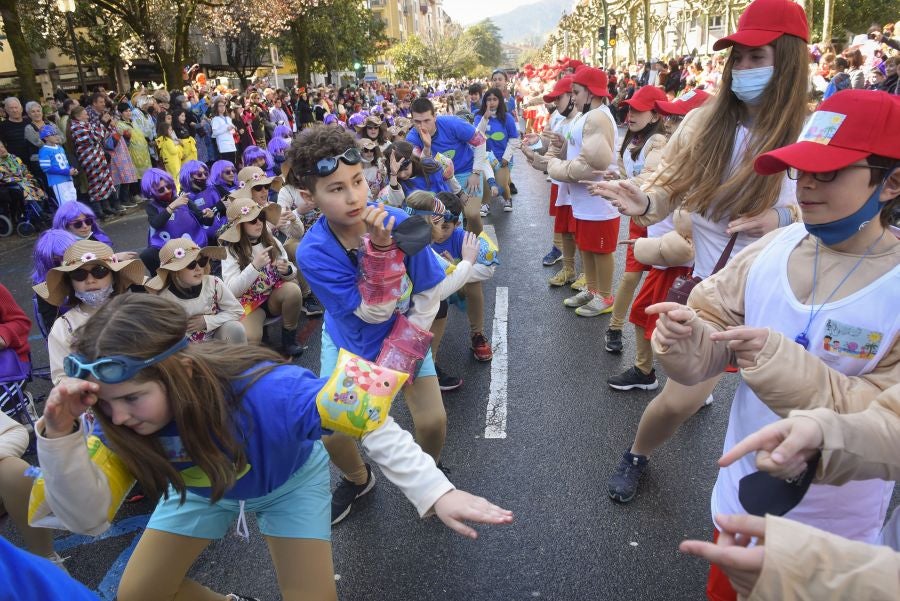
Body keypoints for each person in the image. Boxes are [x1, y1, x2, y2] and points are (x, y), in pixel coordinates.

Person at [34, 293, 512, 601]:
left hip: (288, 483)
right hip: (204, 490)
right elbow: (86, 519)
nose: (120, 418)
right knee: (138, 595)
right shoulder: (118, 420)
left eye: (133, 398)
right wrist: (60, 437)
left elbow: (369, 418)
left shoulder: (269, 389)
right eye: (108, 406)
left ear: (179, 370)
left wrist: (435, 489)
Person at [652, 89, 899, 601]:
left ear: (891, 181)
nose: (805, 185)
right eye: (799, 169)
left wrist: (779, 360)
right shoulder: (775, 245)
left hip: (837, 541)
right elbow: (710, 324)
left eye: (826, 172)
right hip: (740, 502)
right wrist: (682, 337)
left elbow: (884, 419)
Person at [589, 0, 809, 506]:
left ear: (791, 61)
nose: (746, 70)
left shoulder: (812, 132)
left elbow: (828, 214)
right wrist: (643, 200)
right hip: (714, 296)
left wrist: (777, 218)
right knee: (677, 401)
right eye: (740, 59)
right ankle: (637, 455)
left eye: (760, 58)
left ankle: (779, 512)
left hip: (785, 300)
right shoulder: (704, 123)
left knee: (785, 415)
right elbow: (667, 189)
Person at [290, 126, 453, 524]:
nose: (353, 197)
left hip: (404, 333)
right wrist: (380, 251)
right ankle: (358, 478)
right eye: (335, 189)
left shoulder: (397, 220)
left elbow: (431, 289)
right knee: (334, 429)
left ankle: (423, 473)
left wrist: (409, 340)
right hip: (351, 340)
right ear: (309, 197)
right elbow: (369, 314)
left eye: (358, 181)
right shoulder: (313, 252)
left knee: (433, 422)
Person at [547, 66, 620, 318]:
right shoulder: (584, 115)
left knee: (600, 250)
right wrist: (560, 147)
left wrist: (557, 167)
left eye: (576, 92)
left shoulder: (598, 116)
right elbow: (577, 149)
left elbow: (593, 164)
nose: (573, 97)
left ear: (591, 93)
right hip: (583, 200)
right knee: (586, 247)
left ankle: (605, 296)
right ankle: (592, 289)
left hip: (599, 200)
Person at [602, 84, 668, 357]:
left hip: (661, 221)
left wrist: (621, 184)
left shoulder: (659, 142)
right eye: (630, 108)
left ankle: (663, 343)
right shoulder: (631, 139)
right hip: (639, 220)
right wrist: (616, 180)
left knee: (662, 286)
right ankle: (615, 328)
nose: (631, 113)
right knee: (630, 277)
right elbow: (621, 171)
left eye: (639, 109)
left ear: (655, 116)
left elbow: (651, 178)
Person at [35, 239, 146, 384]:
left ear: (114, 276)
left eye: (100, 271)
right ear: (70, 282)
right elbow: (61, 377)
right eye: (79, 274)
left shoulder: (135, 311)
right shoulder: (63, 328)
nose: (90, 280)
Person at [407, 190, 498, 363]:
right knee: (432, 299)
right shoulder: (422, 235)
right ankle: (428, 351)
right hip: (430, 294)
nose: (438, 231)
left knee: (474, 283)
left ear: (456, 224)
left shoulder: (464, 237)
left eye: (445, 226)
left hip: (454, 288)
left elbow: (489, 268)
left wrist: (457, 267)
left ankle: (477, 334)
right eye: (435, 224)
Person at [219, 197, 304, 356]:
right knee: (251, 338)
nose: (259, 223)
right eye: (252, 220)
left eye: (262, 218)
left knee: (293, 290)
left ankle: (289, 340)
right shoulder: (231, 251)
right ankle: (260, 334)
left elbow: (290, 268)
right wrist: (254, 267)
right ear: (239, 227)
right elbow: (231, 290)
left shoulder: (270, 240)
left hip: (272, 296)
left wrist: (286, 270)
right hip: (249, 305)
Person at [522, 76, 580, 281]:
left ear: (573, 96)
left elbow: (584, 156)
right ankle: (569, 268)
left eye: (559, 98)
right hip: (562, 182)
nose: (555, 103)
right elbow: (552, 151)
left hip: (580, 186)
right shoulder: (561, 119)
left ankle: (589, 279)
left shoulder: (586, 120)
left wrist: (543, 155)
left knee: (579, 231)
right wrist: (537, 147)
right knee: (564, 227)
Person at [407, 97, 488, 235]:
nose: (422, 126)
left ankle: (479, 247)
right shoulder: (412, 138)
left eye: (427, 120)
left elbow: (480, 141)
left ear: (435, 117)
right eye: (417, 122)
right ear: (412, 120)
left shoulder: (453, 123)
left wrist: (476, 172)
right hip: (440, 180)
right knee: (451, 221)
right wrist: (427, 147)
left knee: (472, 214)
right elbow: (422, 166)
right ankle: (459, 247)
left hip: (466, 171)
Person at [145, 238, 246, 343]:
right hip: (186, 350)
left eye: (202, 262)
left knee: (235, 328)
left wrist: (207, 321)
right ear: (175, 271)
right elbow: (161, 334)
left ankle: (239, 359)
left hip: (216, 338)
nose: (198, 268)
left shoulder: (213, 283)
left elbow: (237, 311)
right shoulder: (165, 298)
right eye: (191, 264)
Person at [139, 168, 212, 273]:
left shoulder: (184, 200)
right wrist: (172, 206)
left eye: (168, 186)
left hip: (191, 242)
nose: (167, 191)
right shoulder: (152, 207)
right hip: (165, 245)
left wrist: (209, 216)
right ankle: (163, 281)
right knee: (147, 255)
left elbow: (203, 220)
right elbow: (156, 223)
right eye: (161, 190)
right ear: (151, 191)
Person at [474, 87, 520, 214]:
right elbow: (476, 136)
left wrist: (506, 157)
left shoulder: (507, 117)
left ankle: (507, 198)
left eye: (495, 99)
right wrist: (485, 118)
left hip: (502, 159)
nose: (492, 102)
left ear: (500, 101)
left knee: (500, 185)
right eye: (489, 99)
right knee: (486, 181)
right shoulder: (479, 116)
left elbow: (514, 139)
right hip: (484, 158)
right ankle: (485, 204)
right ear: (485, 101)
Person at [68, 106, 116, 217]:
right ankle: (98, 211)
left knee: (104, 181)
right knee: (95, 183)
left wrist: (104, 123)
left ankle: (106, 207)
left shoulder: (87, 124)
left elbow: (103, 134)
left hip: (98, 156)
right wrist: (103, 123)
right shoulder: (76, 127)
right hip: (90, 159)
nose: (87, 115)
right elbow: (96, 137)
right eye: (85, 113)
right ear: (78, 116)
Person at [31, 229, 80, 330]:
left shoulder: (86, 270)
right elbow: (53, 328)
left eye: (68, 258)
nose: (63, 264)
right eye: (56, 261)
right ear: (45, 262)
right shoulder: (45, 288)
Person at [0, 139, 48, 224]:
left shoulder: (15, 158)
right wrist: (22, 179)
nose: (2, 150)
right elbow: (4, 178)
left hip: (25, 182)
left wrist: (27, 176)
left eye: (2, 147)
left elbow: (25, 170)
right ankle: (40, 213)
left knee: (36, 183)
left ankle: (40, 211)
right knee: (25, 187)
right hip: (11, 186)